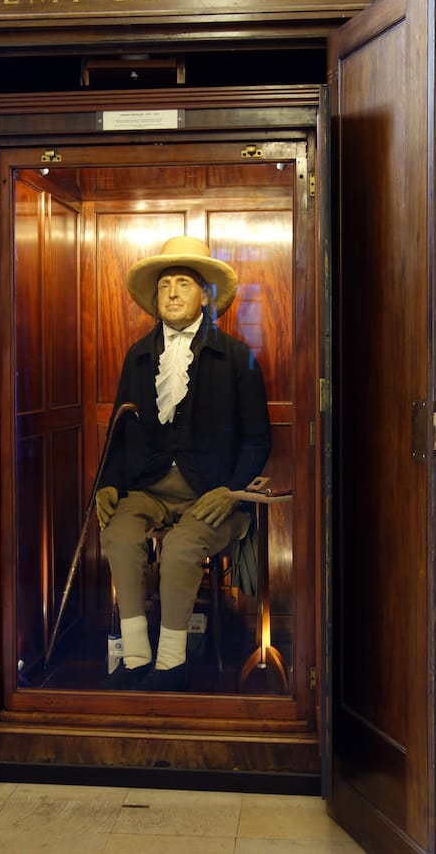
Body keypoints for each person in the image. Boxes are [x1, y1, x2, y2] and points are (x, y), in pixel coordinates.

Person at [95, 236, 271, 691]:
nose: (172, 293)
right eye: (165, 285)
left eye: (183, 284)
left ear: (205, 295)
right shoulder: (138, 355)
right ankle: (135, 659)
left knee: (180, 548)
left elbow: (257, 438)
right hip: (149, 489)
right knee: (119, 534)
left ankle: (171, 665)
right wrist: (109, 484)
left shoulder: (235, 356)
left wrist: (230, 492)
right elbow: (121, 429)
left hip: (211, 493)